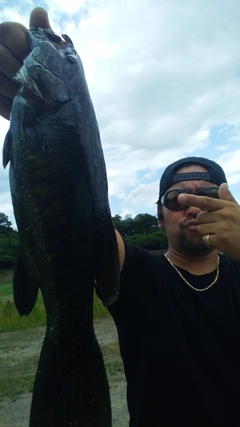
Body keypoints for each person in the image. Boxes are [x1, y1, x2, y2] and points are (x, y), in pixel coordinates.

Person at [1, 8, 240, 427]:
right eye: (176, 196)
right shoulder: (143, 275)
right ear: (159, 214)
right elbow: (76, 223)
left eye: (205, 194)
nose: (191, 203)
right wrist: (40, 130)